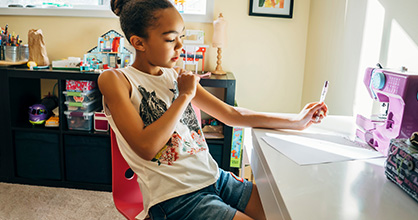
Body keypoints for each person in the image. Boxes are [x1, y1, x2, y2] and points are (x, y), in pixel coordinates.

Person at [98, 0, 328, 219]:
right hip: (176, 198)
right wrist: (185, 95)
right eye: (170, 40)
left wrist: (296, 120)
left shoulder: (176, 75)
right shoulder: (116, 80)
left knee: (284, 212)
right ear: (139, 43)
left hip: (215, 178)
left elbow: (232, 114)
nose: (180, 46)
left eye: (182, 37)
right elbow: (146, 147)